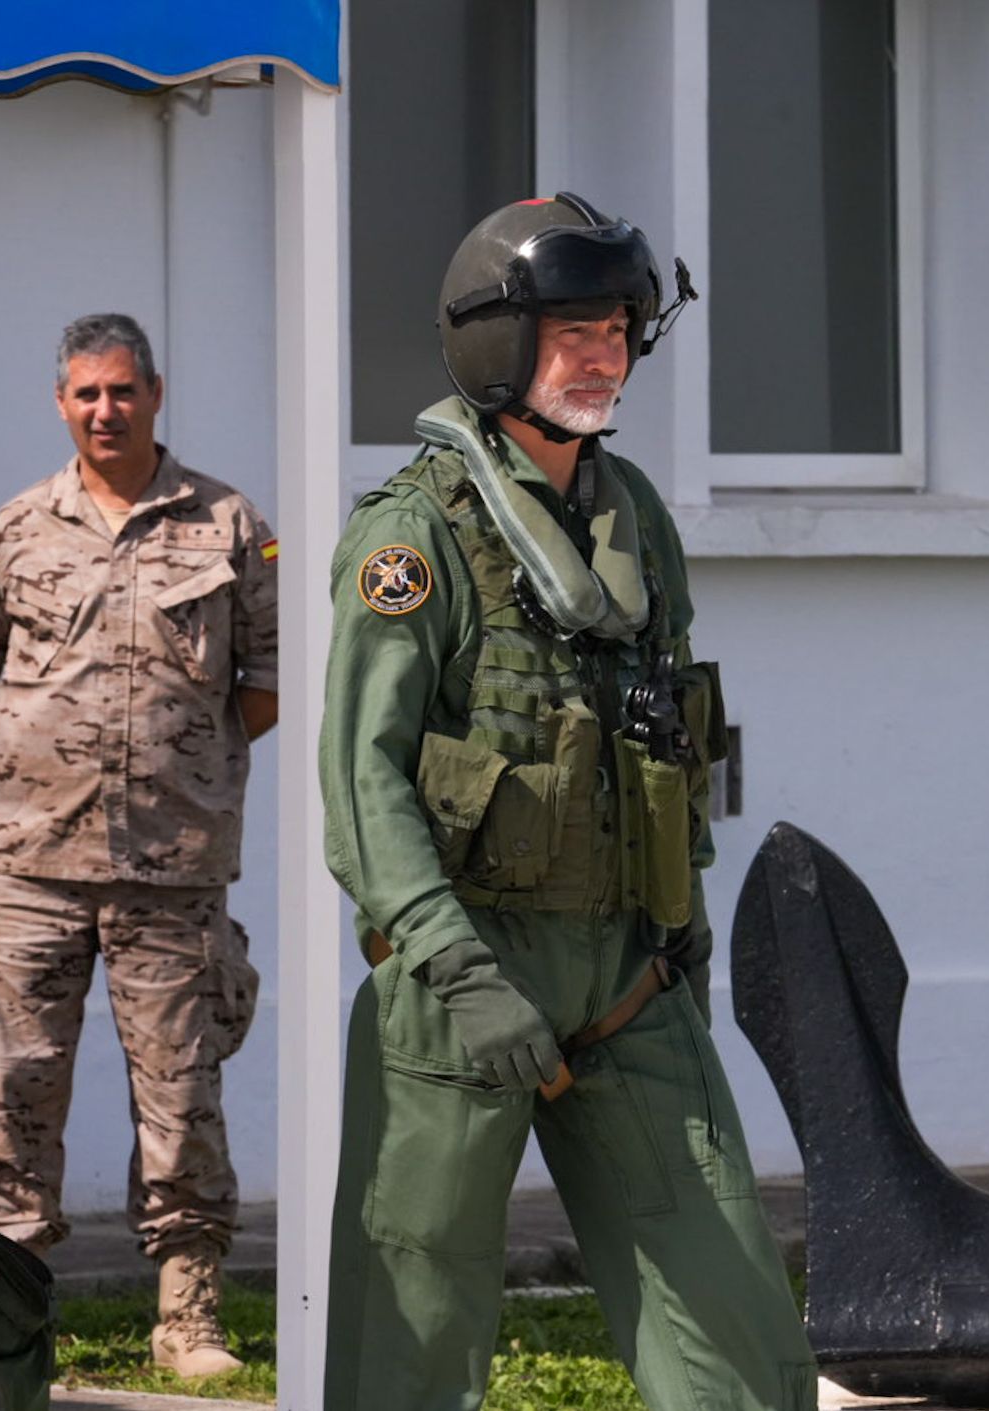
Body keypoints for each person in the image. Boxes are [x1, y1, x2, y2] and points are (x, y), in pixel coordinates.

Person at [319, 192, 817, 1411]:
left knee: (728, 1302)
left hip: (629, 976)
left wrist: (681, 924)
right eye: (569, 331)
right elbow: (361, 777)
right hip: (463, 978)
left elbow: (674, 735)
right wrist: (455, 968)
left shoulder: (631, 519)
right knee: (410, 1325)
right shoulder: (411, 540)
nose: (602, 356)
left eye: (615, 330)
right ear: (498, 341)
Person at [0, 312, 275, 1378]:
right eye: (86, 393)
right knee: (13, 1085)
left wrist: (175, 762)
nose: (105, 410)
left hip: (172, 869)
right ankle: (9, 1313)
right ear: (61, 403)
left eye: (123, 390)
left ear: (155, 394)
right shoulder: (17, 527)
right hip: (31, 867)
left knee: (182, 1092)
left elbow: (263, 685)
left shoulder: (227, 525)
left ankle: (187, 1317)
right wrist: (42, 753)